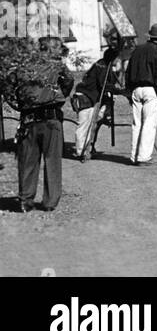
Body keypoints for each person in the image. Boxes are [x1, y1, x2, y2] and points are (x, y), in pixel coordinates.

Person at [14, 37, 73, 211]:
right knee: (52, 161)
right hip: (50, 119)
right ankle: (50, 202)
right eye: (57, 47)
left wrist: (21, 104)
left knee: (28, 161)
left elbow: (11, 87)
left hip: (28, 119)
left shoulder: (22, 67)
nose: (59, 51)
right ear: (49, 49)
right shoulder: (58, 66)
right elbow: (68, 83)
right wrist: (55, 96)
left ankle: (25, 200)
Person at [126, 23, 157, 166]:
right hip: (151, 90)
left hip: (135, 89)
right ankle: (144, 157)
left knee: (137, 124)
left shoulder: (137, 50)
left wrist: (129, 91)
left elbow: (128, 72)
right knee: (149, 124)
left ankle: (134, 156)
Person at [71, 46, 119, 161]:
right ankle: (81, 151)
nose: (118, 60)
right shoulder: (103, 67)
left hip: (90, 98)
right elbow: (104, 85)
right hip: (85, 98)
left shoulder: (103, 65)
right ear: (112, 58)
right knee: (84, 125)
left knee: (92, 124)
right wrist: (118, 90)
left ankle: (88, 148)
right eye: (117, 58)